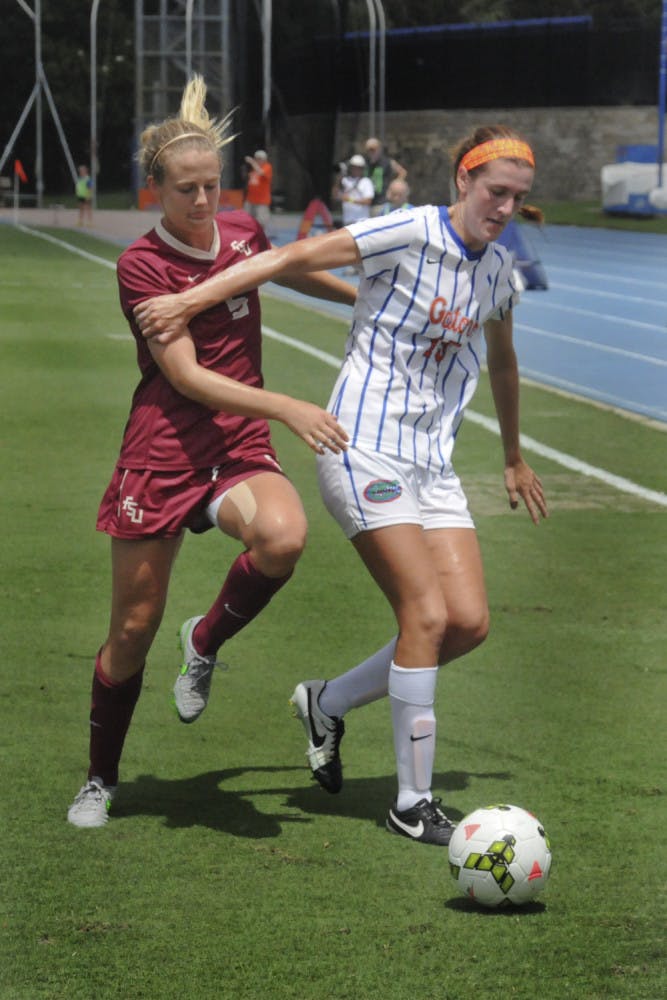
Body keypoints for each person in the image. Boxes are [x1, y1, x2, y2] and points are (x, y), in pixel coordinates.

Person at [133, 124, 549, 847]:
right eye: (495, 191)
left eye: (517, 197)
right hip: (359, 446)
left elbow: (504, 364)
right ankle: (411, 801)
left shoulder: (497, 275)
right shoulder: (407, 232)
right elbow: (285, 256)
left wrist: (512, 455)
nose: (505, 207)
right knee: (424, 615)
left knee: (467, 623)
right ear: (462, 181)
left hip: (432, 463)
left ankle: (325, 702)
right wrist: (188, 302)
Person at [66, 76, 355, 829]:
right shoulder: (141, 266)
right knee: (130, 630)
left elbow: (288, 267)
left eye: (210, 187)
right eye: (185, 190)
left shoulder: (241, 232)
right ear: (154, 191)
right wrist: (288, 404)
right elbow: (189, 377)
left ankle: (205, 639)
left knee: (283, 538)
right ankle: (100, 778)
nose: (202, 203)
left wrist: (369, 301)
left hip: (237, 444)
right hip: (163, 449)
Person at [364, 137, 407, 216]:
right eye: (369, 150)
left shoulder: (387, 162)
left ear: (379, 149)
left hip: (381, 203)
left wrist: (394, 187)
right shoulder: (365, 163)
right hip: (366, 204)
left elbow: (402, 172)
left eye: (373, 150)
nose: (371, 152)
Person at [331, 155, 375, 227]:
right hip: (347, 220)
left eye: (358, 168)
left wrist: (350, 200)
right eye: (354, 167)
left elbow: (368, 201)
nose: (356, 169)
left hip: (361, 221)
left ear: (362, 169)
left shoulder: (366, 182)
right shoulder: (345, 180)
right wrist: (338, 179)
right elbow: (334, 196)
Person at [243, 149, 273, 232]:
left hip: (262, 200)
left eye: (260, 158)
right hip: (250, 199)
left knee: (261, 221)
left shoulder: (267, 167)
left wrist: (252, 162)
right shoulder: (253, 170)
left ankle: (261, 236)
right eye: (256, 158)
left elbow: (261, 173)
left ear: (264, 159)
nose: (258, 160)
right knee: (246, 219)